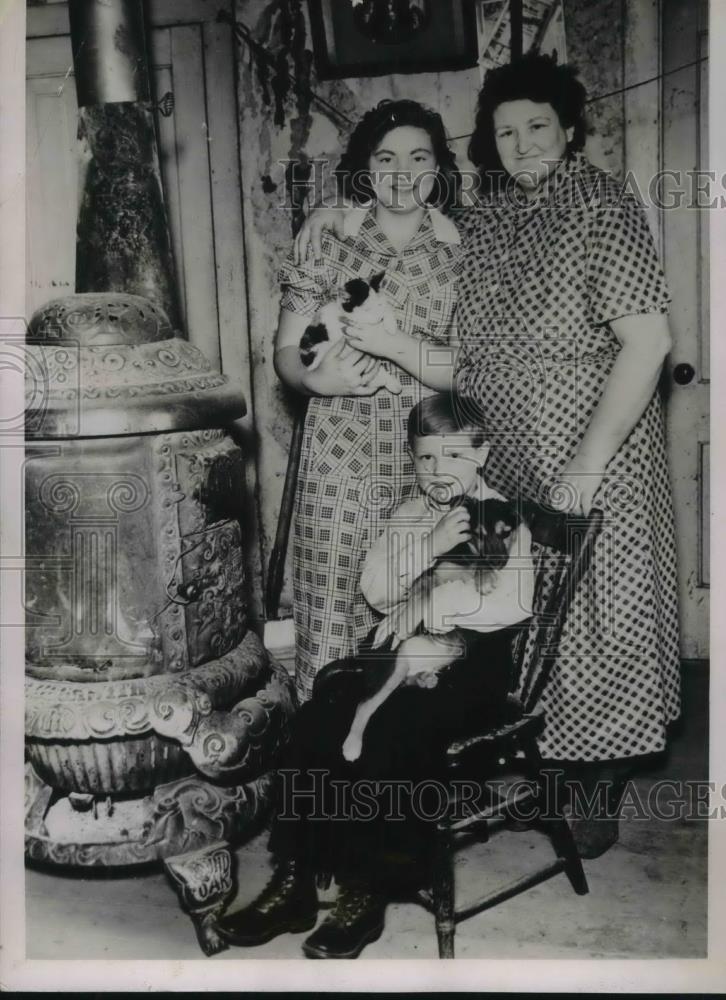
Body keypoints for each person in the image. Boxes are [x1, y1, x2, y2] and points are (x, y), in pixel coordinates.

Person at [293, 52, 681, 858]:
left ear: (571, 129)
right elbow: (457, 342)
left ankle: (598, 778)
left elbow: (648, 344)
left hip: (591, 446)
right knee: (532, 612)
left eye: (538, 125)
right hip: (507, 450)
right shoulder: (495, 217)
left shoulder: (603, 204)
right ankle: (531, 751)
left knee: (601, 610)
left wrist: (584, 464)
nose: (522, 142)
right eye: (505, 131)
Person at [218, 394, 531, 959]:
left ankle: (365, 888)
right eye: (424, 460)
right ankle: (296, 878)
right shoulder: (410, 516)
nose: (437, 473)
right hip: (392, 657)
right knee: (317, 718)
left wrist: (433, 612)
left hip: (471, 666)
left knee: (393, 731)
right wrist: (427, 548)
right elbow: (376, 592)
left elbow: (514, 605)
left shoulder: (502, 515)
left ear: (481, 455)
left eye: (452, 457)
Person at [274, 98, 464, 704]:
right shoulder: (326, 242)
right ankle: (330, 769)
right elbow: (284, 352)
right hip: (339, 460)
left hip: (431, 461)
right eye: (386, 158)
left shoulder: (466, 251)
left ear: (439, 168)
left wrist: (396, 346)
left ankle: (404, 763)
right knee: (333, 611)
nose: (402, 174)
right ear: (364, 167)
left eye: (418, 157)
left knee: (422, 613)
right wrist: (314, 382)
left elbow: (469, 370)